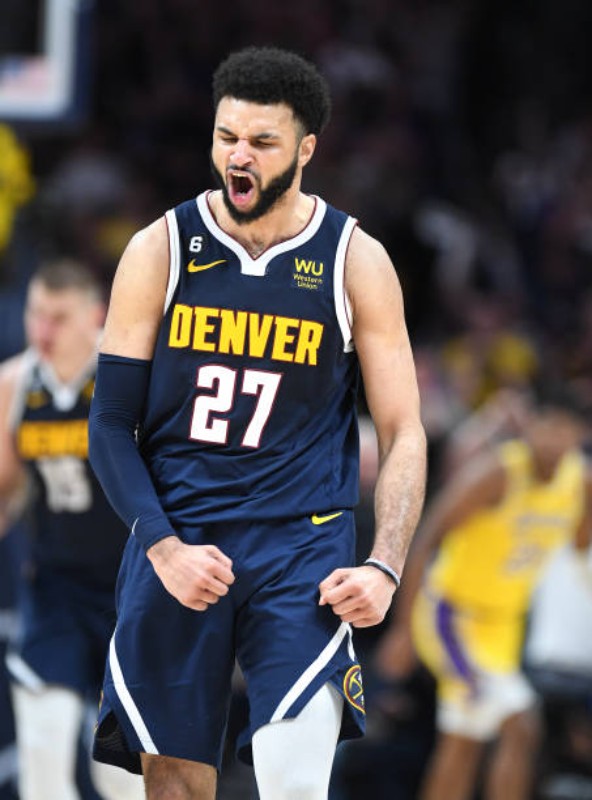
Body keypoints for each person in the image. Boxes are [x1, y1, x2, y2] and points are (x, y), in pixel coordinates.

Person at [87, 45, 427, 800]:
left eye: (262, 142)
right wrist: (164, 547)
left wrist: (386, 563)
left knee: (293, 779)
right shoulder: (159, 249)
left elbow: (404, 430)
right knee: (175, 786)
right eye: (226, 137)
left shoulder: (354, 259)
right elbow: (109, 424)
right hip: (180, 534)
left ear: (305, 149)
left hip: (301, 545)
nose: (238, 156)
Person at [376, 384, 592, 800]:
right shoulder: (498, 473)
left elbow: (581, 545)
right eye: (548, 426)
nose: (555, 439)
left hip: (502, 627)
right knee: (521, 724)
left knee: (463, 743)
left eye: (565, 429)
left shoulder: (579, 484)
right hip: (451, 617)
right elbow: (429, 536)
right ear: (530, 425)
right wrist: (403, 629)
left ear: (580, 434)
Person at [0, 260, 145, 800]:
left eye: (58, 317)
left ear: (94, 317)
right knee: (42, 757)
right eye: (36, 314)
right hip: (55, 587)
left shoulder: (130, 375)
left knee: (119, 775)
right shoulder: (15, 384)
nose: (42, 329)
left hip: (128, 590)